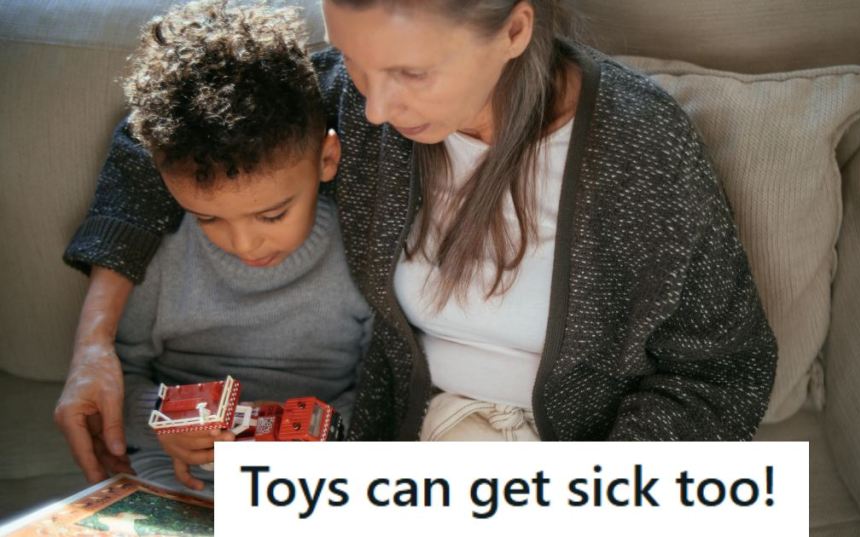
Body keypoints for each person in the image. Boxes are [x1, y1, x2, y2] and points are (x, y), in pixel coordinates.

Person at [56, 0, 777, 476]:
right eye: (358, 65)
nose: (373, 105)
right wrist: (95, 345)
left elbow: (723, 371)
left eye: (410, 73)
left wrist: (592, 495)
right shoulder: (357, 106)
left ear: (515, 30)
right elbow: (150, 140)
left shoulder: (641, 146)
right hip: (403, 452)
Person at [84, 0, 371, 492]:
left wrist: (327, 437)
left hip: (318, 478)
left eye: (273, 214)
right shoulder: (158, 257)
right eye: (207, 218)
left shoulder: (360, 256)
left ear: (327, 158)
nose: (244, 243)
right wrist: (162, 421)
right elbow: (122, 374)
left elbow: (377, 383)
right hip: (176, 475)